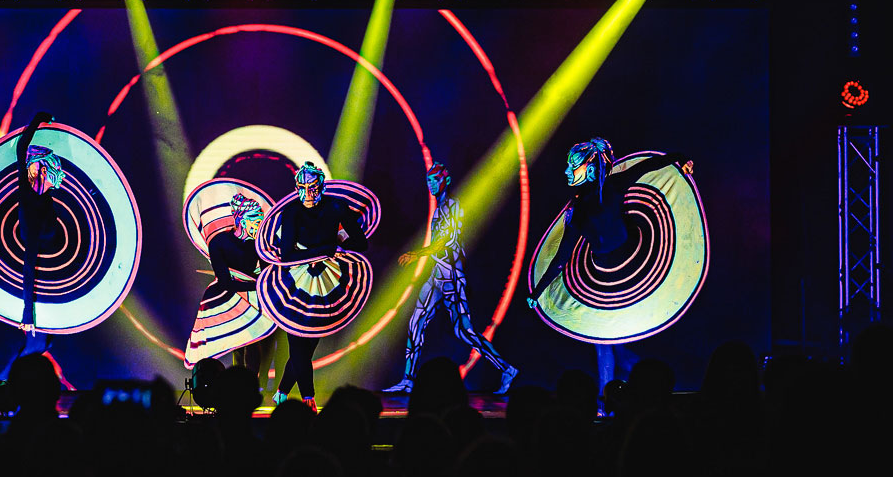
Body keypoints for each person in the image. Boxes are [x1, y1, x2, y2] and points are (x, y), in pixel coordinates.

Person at [528, 138, 695, 396]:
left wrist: (679, 157)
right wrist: (537, 292)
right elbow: (562, 258)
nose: (567, 171)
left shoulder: (613, 186)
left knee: (608, 341)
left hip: (632, 266)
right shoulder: (577, 211)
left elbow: (648, 165)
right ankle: (614, 396)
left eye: (573, 166)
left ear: (590, 169)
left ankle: (633, 389)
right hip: (603, 276)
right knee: (606, 341)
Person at [385, 163, 518, 395]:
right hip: (437, 274)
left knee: (463, 331)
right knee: (416, 322)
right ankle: (408, 379)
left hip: (451, 275)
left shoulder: (453, 206)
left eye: (435, 180)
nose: (431, 184)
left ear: (445, 180)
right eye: (428, 180)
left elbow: (447, 241)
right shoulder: (438, 209)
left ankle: (506, 369)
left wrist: (417, 254)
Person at [266, 162, 371, 412]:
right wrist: (325, 249)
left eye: (312, 187)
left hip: (327, 279)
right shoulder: (291, 211)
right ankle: (308, 399)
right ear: (296, 188)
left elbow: (361, 243)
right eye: (302, 188)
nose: (308, 194)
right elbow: (286, 255)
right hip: (295, 279)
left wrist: (340, 244)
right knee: (297, 341)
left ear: (321, 186)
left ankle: (281, 393)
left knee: (307, 344)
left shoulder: (336, 206)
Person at [183, 189, 277, 370]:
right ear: (242, 220)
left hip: (250, 292)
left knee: (253, 339)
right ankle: (236, 381)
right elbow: (225, 281)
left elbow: (266, 273)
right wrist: (257, 285)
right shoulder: (218, 242)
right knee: (237, 343)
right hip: (226, 294)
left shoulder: (258, 243)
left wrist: (264, 286)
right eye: (255, 221)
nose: (259, 225)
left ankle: (251, 382)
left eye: (261, 221)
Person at [15, 110, 64, 352]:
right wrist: (28, 314)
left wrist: (38, 119)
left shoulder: (38, 189)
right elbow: (28, 266)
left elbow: (22, 147)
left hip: (51, 234)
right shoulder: (29, 198)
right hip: (42, 243)